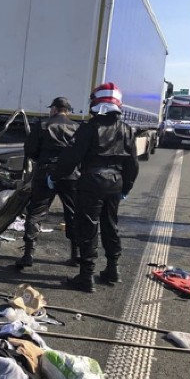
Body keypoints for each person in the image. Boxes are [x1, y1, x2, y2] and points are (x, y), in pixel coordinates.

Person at [49, 83, 139, 292]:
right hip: (115, 183)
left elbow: (71, 157)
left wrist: (55, 175)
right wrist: (127, 186)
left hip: (91, 181)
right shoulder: (127, 130)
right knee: (111, 225)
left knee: (88, 228)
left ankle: (86, 276)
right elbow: (132, 163)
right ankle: (112, 269)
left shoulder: (89, 129)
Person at [16, 97, 79, 270]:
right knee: (73, 213)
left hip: (45, 171)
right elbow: (80, 153)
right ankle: (76, 255)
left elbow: (30, 150)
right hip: (70, 174)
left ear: (55, 109)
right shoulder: (76, 128)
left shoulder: (43, 125)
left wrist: (43, 161)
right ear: (68, 111)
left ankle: (28, 254)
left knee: (35, 212)